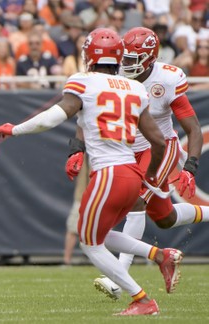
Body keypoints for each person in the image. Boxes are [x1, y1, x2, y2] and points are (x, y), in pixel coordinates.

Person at [0, 28, 182, 316]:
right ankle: (160, 255)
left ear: (89, 55)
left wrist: (15, 129)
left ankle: (142, 300)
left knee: (89, 243)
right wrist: (151, 177)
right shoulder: (134, 88)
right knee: (100, 233)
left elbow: (55, 116)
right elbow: (159, 141)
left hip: (107, 174)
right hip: (131, 173)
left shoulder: (83, 81)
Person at [67, 27, 208, 300]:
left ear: (150, 58)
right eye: (125, 58)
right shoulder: (112, 74)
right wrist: (77, 149)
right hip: (127, 150)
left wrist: (190, 166)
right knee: (165, 218)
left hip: (160, 148)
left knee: (136, 203)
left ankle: (120, 279)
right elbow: (87, 116)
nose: (126, 65)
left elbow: (192, 128)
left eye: (134, 59)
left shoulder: (167, 79)